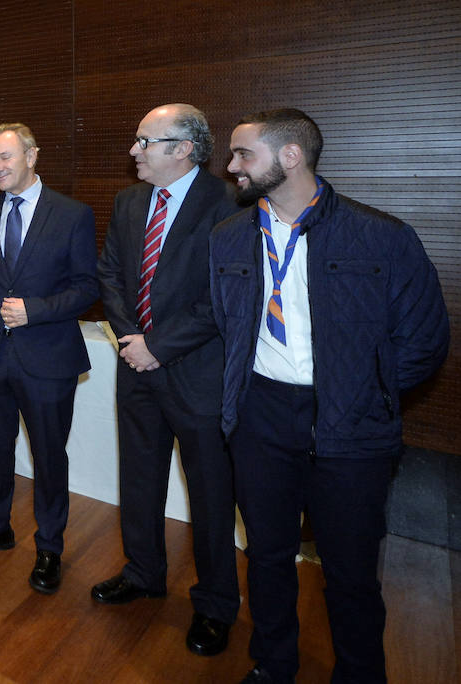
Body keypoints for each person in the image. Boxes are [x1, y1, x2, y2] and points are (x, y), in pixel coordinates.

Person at [210, 108, 449, 684]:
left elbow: (423, 341)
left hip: (350, 425)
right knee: (266, 558)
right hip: (260, 416)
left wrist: (362, 395)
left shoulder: (382, 236)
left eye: (244, 154)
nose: (231, 166)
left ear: (290, 157)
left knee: (350, 573)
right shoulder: (228, 237)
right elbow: (229, 324)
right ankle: (272, 666)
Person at [90, 105, 239, 656]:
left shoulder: (228, 203)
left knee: (210, 495)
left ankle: (216, 605)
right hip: (136, 367)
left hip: (197, 374)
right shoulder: (131, 201)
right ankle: (143, 572)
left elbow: (225, 295)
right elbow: (110, 273)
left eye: (144, 141)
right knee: (140, 479)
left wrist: (160, 346)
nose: (134, 151)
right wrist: (133, 340)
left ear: (183, 148)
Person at [0, 123, 98, 595]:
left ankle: (50, 546)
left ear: (32, 156)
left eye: (6, 158)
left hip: (48, 359)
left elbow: (87, 288)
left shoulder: (72, 214)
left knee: (48, 456)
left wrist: (34, 311)